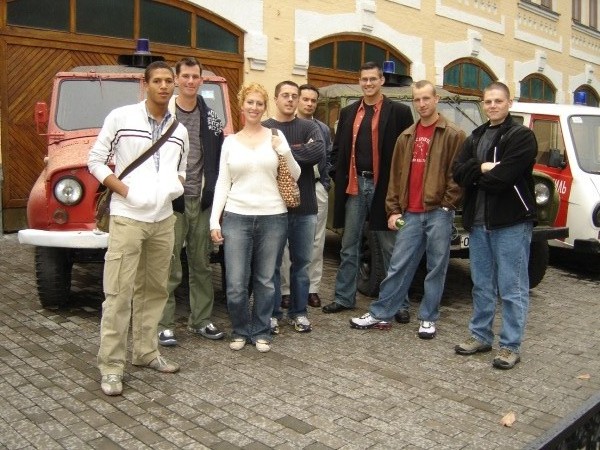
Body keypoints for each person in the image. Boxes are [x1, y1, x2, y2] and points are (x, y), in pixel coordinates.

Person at [88, 61, 189, 396]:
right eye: (157, 80)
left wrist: (175, 186)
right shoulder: (121, 118)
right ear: (144, 85)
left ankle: (146, 353)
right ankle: (111, 366)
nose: (164, 86)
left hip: (163, 220)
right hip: (128, 218)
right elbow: (96, 161)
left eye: (168, 81)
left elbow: (182, 169)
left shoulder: (180, 129)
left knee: (156, 290)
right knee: (118, 294)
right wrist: (125, 190)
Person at [349, 80, 465, 338]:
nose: (422, 104)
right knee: (398, 265)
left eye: (426, 98)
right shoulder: (406, 136)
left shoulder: (454, 134)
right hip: (410, 213)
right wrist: (393, 210)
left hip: (439, 212)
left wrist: (447, 205)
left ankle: (428, 317)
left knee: (437, 267)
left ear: (436, 99)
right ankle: (381, 312)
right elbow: (395, 177)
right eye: (417, 99)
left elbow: (457, 175)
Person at [452, 81, 538, 369]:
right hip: (478, 224)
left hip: (511, 223)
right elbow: (456, 172)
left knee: (512, 288)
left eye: (498, 101)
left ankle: (510, 346)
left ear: (509, 103)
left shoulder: (521, 136)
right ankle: (480, 335)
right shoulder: (475, 136)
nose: (492, 106)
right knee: (482, 284)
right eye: (488, 101)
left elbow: (503, 178)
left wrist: (475, 173)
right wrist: (481, 168)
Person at [210, 82, 300, 353]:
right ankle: (240, 329)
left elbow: (294, 174)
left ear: (264, 107)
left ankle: (261, 330)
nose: (254, 107)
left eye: (259, 103)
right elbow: (222, 183)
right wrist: (215, 220)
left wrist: (282, 150)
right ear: (242, 105)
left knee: (264, 280)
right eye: (250, 102)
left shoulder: (277, 137)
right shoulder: (229, 142)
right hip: (237, 216)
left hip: (273, 216)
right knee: (236, 284)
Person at [322, 61, 414, 315]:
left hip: (384, 188)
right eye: (364, 79)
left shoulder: (399, 112)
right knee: (349, 245)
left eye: (373, 79)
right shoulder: (350, 112)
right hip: (354, 186)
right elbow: (338, 149)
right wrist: (337, 175)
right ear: (359, 81)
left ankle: (400, 303)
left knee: (390, 248)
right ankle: (344, 298)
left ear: (382, 81)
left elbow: (405, 154)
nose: (368, 83)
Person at [157, 57, 225, 347]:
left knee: (201, 265)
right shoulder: (162, 115)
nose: (190, 81)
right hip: (172, 201)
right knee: (168, 264)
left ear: (201, 80)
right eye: (184, 76)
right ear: (176, 79)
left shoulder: (211, 119)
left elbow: (220, 160)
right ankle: (163, 324)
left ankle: (200, 320)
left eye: (195, 76)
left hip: (201, 199)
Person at [262, 81, 325, 334]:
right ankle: (273, 314)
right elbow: (263, 158)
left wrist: (285, 149)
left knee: (301, 264)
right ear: (276, 99)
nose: (290, 100)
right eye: (285, 96)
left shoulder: (309, 126)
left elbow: (317, 153)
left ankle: (299, 313)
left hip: (305, 207)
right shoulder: (265, 128)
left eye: (294, 96)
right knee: (273, 264)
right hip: (273, 207)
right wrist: (300, 149)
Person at [278, 84, 332, 310]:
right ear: (299, 101)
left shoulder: (322, 129)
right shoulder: (281, 127)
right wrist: (301, 150)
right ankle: (286, 290)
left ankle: (312, 289)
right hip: (284, 188)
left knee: (316, 242)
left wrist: (326, 182)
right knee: (285, 244)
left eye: (313, 100)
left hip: (316, 188)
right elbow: (279, 155)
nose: (309, 104)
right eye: (305, 99)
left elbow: (323, 155)